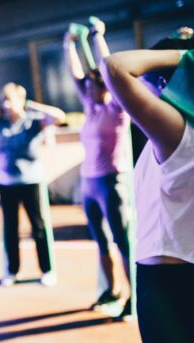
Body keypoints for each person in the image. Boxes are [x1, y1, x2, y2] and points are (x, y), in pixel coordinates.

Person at [101, 29, 194, 342]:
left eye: (147, 79)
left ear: (166, 84)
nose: (139, 85)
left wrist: (187, 55)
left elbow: (115, 67)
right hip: (170, 275)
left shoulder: (177, 133)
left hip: (170, 282)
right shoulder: (172, 133)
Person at [64, 19, 132, 317]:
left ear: (103, 86)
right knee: (102, 242)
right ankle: (112, 289)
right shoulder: (90, 109)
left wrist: (96, 36)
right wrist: (69, 43)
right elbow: (76, 73)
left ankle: (133, 299)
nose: (86, 89)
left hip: (111, 182)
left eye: (92, 85)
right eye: (87, 86)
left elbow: (108, 67)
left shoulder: (118, 109)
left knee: (123, 242)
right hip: (89, 183)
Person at [0, 82, 66, 287]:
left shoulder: (33, 122)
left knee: (39, 227)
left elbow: (60, 117)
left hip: (31, 181)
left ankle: (47, 270)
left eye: (10, 99)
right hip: (6, 183)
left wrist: (33, 105)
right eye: (3, 100)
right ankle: (12, 271)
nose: (6, 105)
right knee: (10, 228)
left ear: (20, 100)